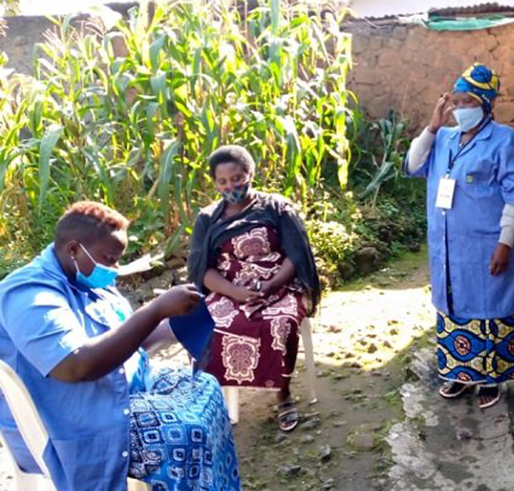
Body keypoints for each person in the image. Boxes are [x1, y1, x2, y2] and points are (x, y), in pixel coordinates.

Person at [0, 201, 241, 491]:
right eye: (110, 259)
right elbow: (76, 366)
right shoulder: (29, 295)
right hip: (70, 423)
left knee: (206, 388)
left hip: (114, 392)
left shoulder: (87, 280)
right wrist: (154, 310)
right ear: (74, 249)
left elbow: (128, 340)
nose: (114, 269)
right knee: (185, 434)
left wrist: (177, 321)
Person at [405, 63, 514, 409]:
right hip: (449, 247)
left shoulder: (504, 140)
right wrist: (432, 126)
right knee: (453, 305)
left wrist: (505, 242)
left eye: (468, 102)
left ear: (486, 105)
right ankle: (459, 374)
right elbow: (414, 165)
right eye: (456, 102)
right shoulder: (442, 138)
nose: (460, 109)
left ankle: (491, 380)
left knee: (490, 308)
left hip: (487, 245)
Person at [188, 145, 320, 432]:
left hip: (279, 285)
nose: (231, 186)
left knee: (279, 324)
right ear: (215, 184)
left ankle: (282, 394)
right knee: (203, 326)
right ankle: (213, 401)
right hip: (228, 290)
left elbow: (296, 256)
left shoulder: (276, 208)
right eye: (222, 182)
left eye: (236, 178)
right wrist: (234, 292)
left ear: (250, 174)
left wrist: (269, 285)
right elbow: (202, 270)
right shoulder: (208, 219)